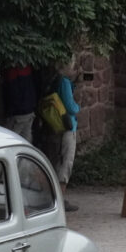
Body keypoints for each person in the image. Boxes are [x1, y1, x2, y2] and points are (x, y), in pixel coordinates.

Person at [46, 60, 81, 213]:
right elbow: (70, 106)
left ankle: (52, 197)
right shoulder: (64, 82)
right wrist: (78, 106)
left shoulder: (54, 80)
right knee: (66, 161)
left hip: (54, 125)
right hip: (66, 126)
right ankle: (60, 199)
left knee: (55, 160)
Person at [1, 65, 37, 142]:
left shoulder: (12, 71)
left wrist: (9, 112)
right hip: (29, 111)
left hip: (18, 114)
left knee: (10, 141)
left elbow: (13, 93)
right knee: (26, 141)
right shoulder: (28, 67)